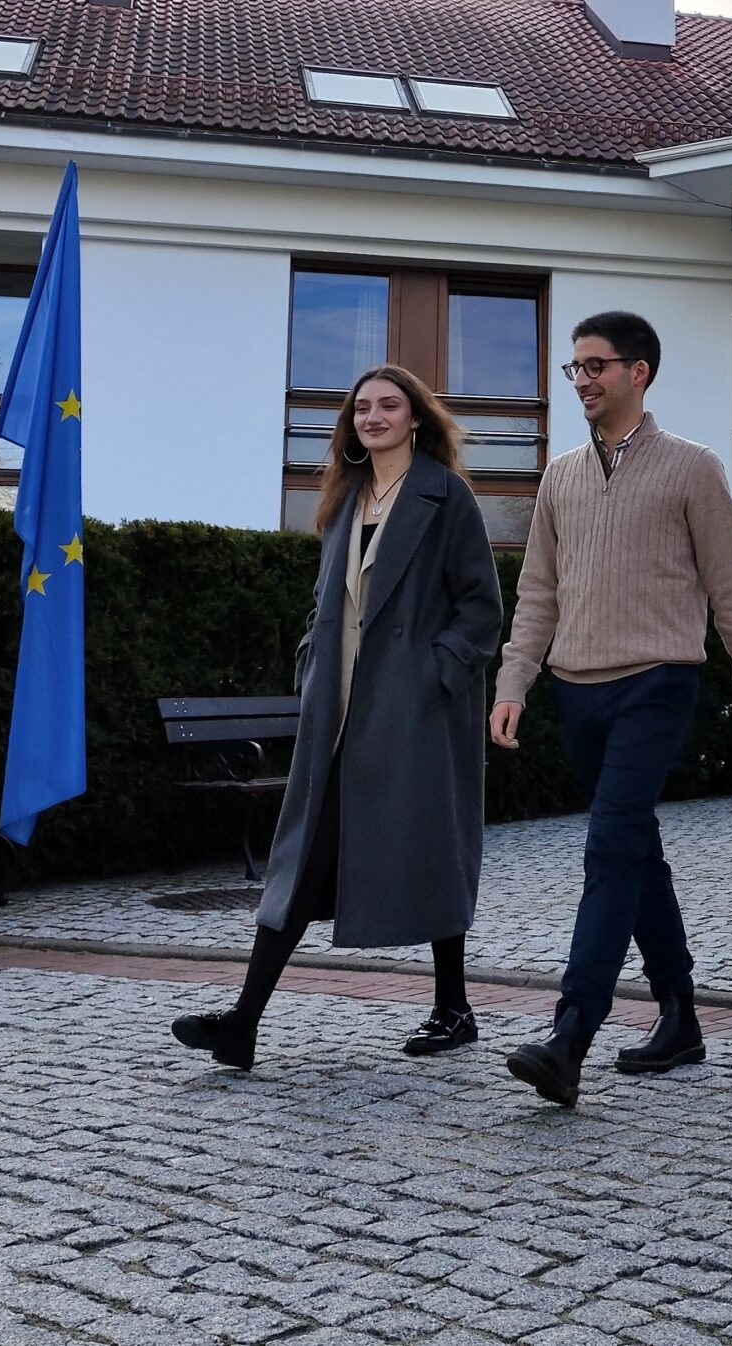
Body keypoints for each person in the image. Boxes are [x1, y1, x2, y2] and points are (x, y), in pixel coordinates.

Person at [171, 364, 501, 1072]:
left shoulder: (449, 499)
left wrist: (434, 673)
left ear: (416, 417)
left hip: (413, 710)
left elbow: (481, 610)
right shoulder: (346, 498)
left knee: (431, 846)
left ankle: (454, 1007)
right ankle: (244, 1023)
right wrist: (309, 661)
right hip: (340, 708)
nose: (373, 416)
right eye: (362, 409)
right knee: (299, 858)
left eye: (389, 405)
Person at [489, 309, 732, 1107]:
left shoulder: (693, 468)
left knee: (610, 849)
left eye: (596, 366)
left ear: (638, 372)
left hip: (658, 683)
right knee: (635, 852)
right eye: (573, 368)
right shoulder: (559, 476)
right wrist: (514, 681)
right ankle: (679, 1016)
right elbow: (537, 591)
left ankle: (570, 1035)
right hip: (575, 690)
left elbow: (731, 589)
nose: (581, 380)